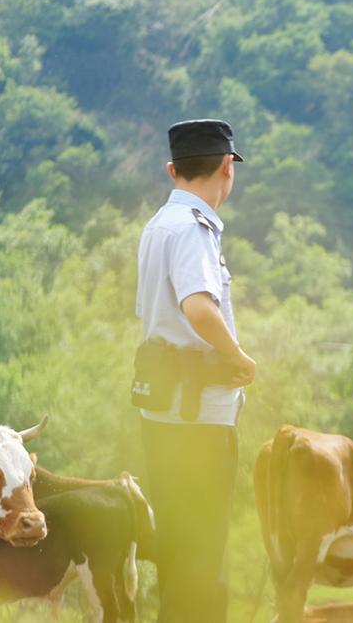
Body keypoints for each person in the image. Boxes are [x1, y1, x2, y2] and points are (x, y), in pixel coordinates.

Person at [134, 119, 256, 622]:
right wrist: (238, 358)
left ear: (172, 169)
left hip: (163, 413)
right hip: (198, 420)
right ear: (228, 167)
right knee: (205, 562)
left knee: (179, 556)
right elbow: (199, 307)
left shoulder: (160, 224)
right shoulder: (193, 228)